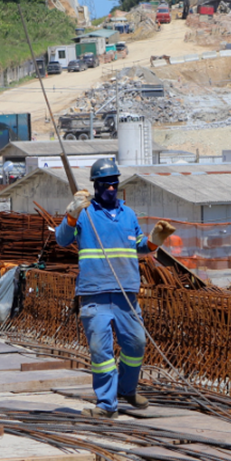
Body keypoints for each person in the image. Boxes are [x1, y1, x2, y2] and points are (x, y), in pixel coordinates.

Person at [54, 158, 175, 417]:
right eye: (106, 184)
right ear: (96, 186)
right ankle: (107, 405)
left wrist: (155, 241)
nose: (111, 188)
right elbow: (62, 240)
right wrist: (72, 214)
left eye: (114, 184)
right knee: (102, 352)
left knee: (136, 344)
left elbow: (139, 247)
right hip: (94, 294)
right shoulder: (85, 213)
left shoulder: (128, 215)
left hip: (126, 294)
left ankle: (126, 389)